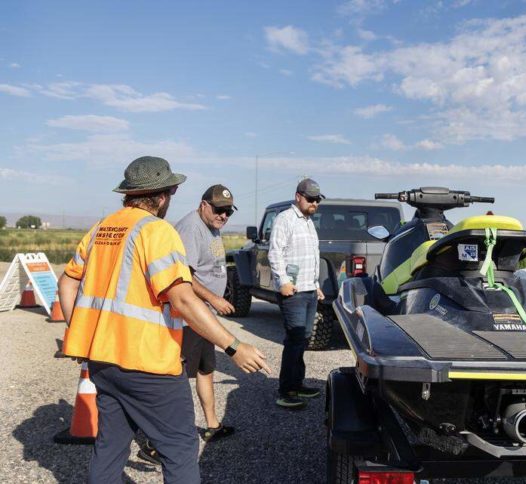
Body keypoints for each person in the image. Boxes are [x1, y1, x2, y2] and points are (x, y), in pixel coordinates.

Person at [57, 156, 270, 484]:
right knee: (180, 447)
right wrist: (234, 346)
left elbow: (68, 282)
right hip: (148, 365)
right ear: (161, 195)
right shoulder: (157, 231)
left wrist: (79, 334)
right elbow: (183, 299)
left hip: (102, 361)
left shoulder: (101, 228)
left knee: (110, 446)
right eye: (171, 191)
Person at [137, 184, 239, 465]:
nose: (223, 215)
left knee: (206, 369)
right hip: (190, 317)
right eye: (218, 209)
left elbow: (212, 266)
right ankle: (154, 442)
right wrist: (213, 299)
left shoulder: (212, 228)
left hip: (205, 315)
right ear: (203, 204)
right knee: (176, 380)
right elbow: (184, 279)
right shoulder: (190, 229)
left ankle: (212, 425)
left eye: (228, 211)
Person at [268, 178, 325, 410]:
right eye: (310, 199)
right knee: (294, 340)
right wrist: (282, 282)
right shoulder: (285, 219)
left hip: (309, 290)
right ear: (298, 196)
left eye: (317, 200)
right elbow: (275, 253)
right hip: (293, 292)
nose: (314, 203)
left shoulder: (309, 222)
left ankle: (298, 383)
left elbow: (309, 257)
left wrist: (316, 284)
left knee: (302, 339)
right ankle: (286, 390)